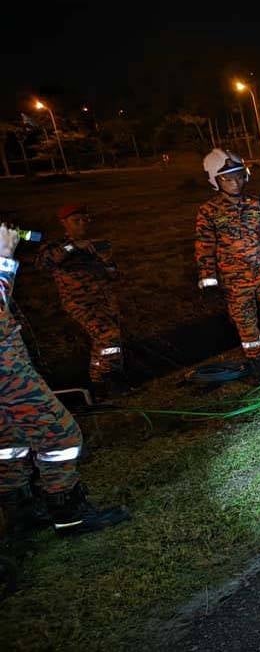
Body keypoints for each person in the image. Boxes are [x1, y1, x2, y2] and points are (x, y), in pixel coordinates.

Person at [0, 223, 129, 537]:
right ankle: (69, 515)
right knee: (61, 436)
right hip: (5, 369)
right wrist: (4, 257)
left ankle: (21, 511)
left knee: (9, 440)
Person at [196, 149, 260, 380]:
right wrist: (208, 278)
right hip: (234, 280)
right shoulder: (208, 211)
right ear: (215, 180)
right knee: (245, 321)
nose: (235, 182)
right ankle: (257, 360)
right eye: (228, 178)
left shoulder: (258, 204)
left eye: (239, 176)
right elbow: (205, 246)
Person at [36, 204, 127, 397]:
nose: (81, 224)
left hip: (105, 301)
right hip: (80, 303)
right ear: (64, 223)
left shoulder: (97, 245)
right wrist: (73, 246)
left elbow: (114, 275)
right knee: (108, 336)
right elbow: (45, 263)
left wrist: (107, 260)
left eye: (84, 219)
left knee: (105, 341)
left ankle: (98, 378)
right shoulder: (56, 247)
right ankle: (108, 378)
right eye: (75, 221)